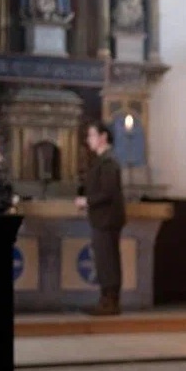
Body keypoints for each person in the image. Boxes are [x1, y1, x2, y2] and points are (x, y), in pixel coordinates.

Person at [76, 122, 126, 316]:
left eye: (92, 135)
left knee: (108, 261)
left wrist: (86, 201)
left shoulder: (108, 162)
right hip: (102, 219)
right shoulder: (101, 161)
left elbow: (108, 192)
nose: (89, 140)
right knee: (104, 261)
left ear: (103, 137)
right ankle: (106, 299)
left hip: (107, 219)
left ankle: (110, 301)